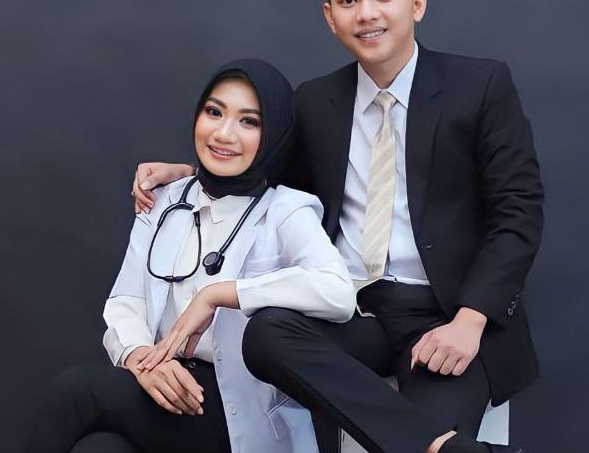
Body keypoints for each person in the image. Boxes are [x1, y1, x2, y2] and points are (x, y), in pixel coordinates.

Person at [132, 0, 543, 453]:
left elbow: (518, 213)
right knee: (265, 334)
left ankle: (435, 442)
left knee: (421, 417)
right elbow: (270, 182)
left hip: (445, 315)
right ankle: (445, 448)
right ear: (330, 16)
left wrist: (471, 320)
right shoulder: (316, 101)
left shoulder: (480, 86)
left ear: (416, 3)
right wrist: (189, 171)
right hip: (352, 312)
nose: (366, 13)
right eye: (349, 0)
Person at [25, 59, 356, 453]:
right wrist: (141, 358)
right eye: (214, 112)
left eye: (248, 122)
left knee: (78, 390)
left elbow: (337, 292)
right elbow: (127, 300)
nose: (223, 133)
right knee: (101, 449)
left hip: (234, 408)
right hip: (163, 382)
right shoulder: (165, 198)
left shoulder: (286, 210)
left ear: (274, 135)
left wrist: (221, 293)